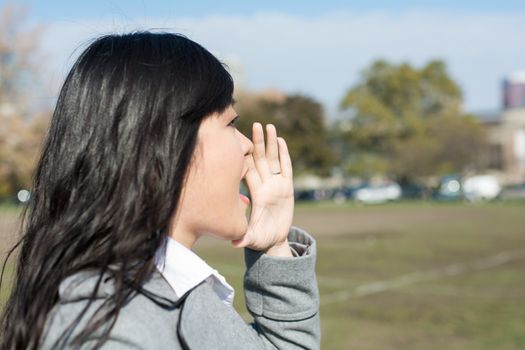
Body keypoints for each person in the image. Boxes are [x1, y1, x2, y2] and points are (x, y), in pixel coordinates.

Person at [0, 32, 320, 349]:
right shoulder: (114, 334)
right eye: (231, 124)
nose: (248, 146)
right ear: (160, 145)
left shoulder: (167, 286)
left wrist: (276, 246)